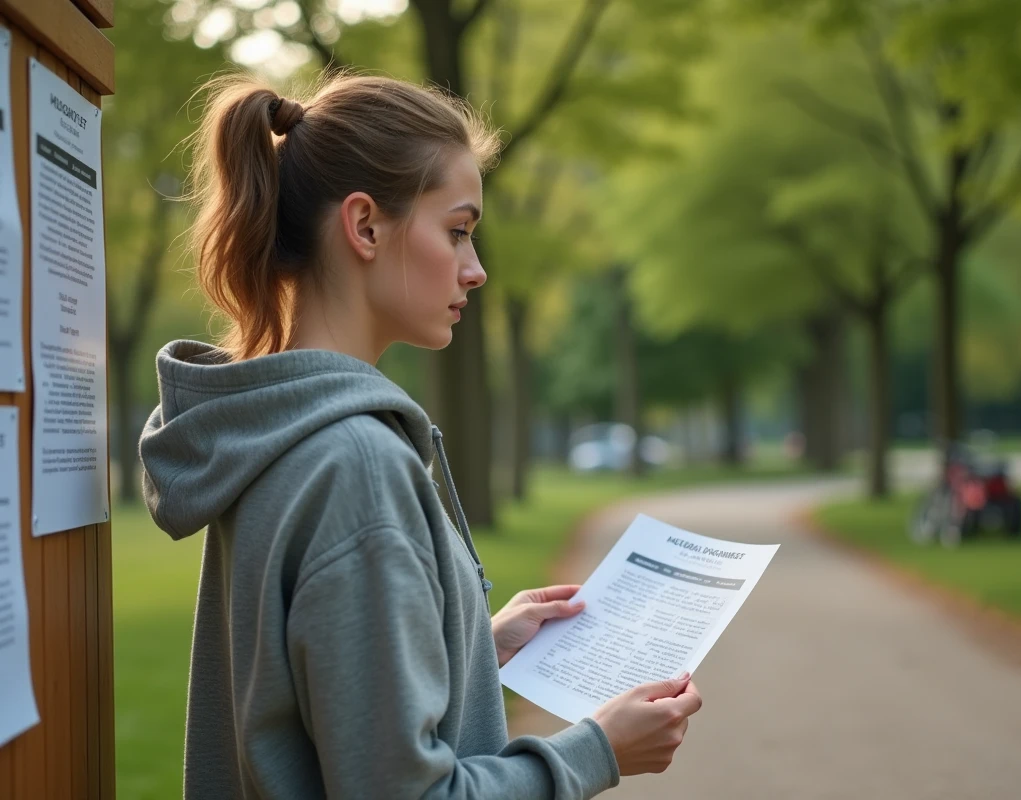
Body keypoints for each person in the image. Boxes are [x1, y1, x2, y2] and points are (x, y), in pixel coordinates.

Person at [138, 72, 702, 800]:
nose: (477, 269)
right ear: (365, 225)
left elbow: (305, 699)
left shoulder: (271, 432)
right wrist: (596, 752)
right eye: (458, 231)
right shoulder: (356, 465)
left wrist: (473, 646)